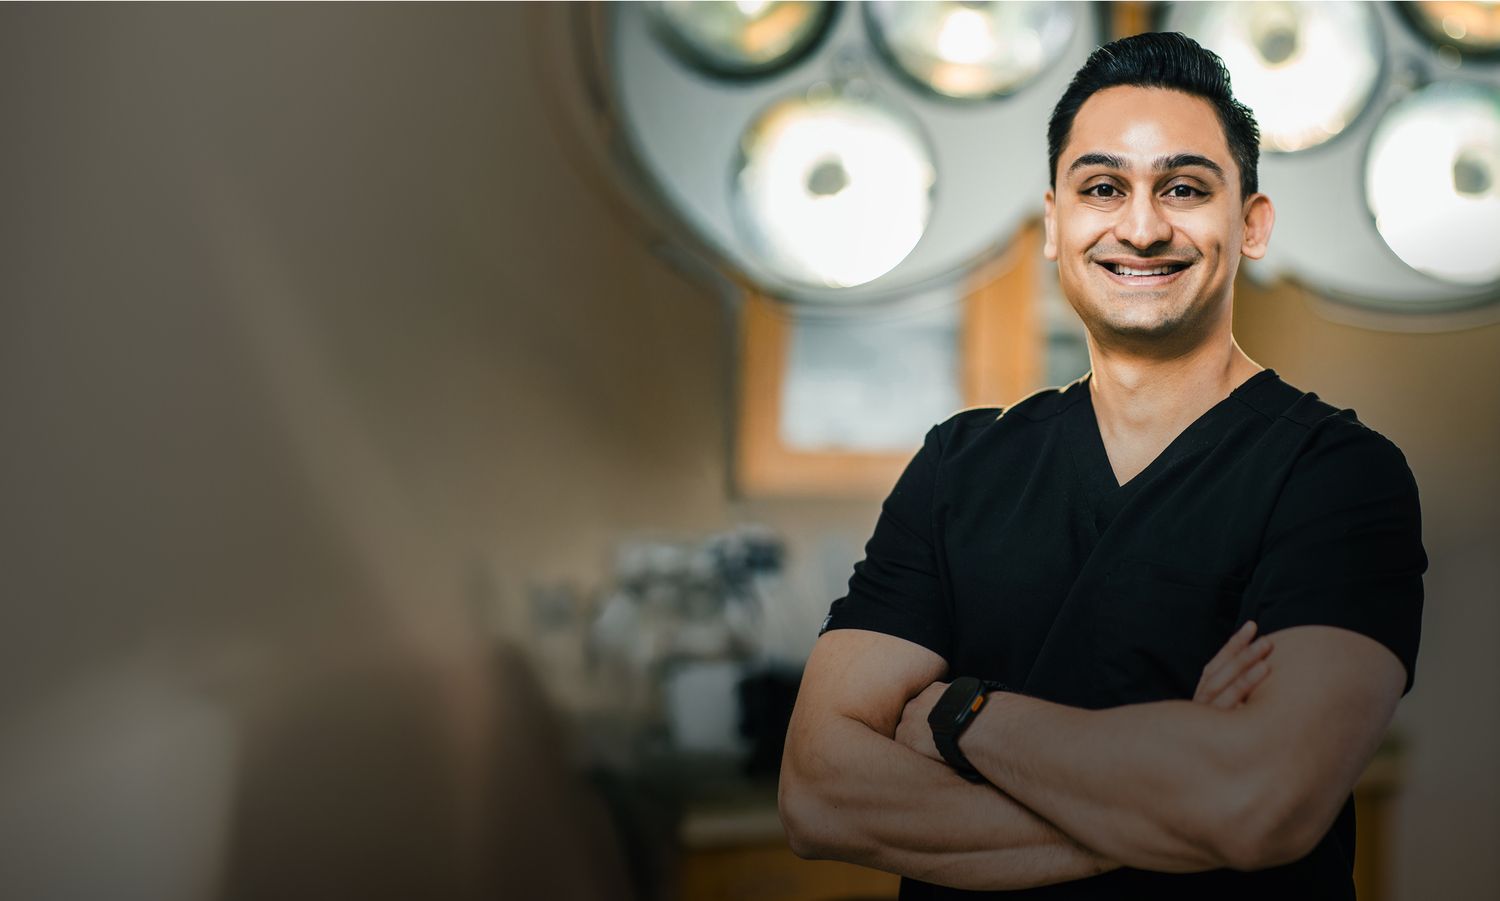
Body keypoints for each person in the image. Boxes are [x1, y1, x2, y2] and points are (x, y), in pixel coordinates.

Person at [778, 31, 1426, 901]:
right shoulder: (958, 467)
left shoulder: (1336, 475)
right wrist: (1175, 797)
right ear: (1055, 222)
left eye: (1186, 187)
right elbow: (818, 793)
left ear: (1253, 223)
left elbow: (1258, 804)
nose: (1143, 225)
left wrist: (965, 713)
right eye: (1103, 187)